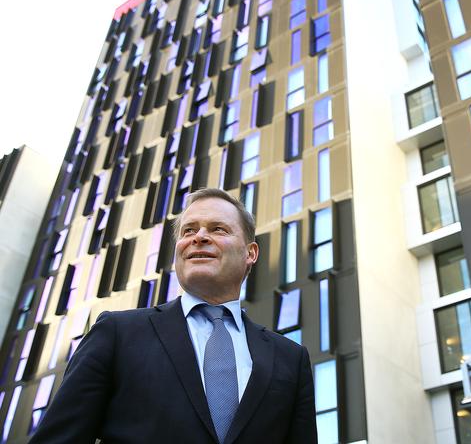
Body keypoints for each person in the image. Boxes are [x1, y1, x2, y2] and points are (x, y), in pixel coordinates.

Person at [30, 188, 317, 444]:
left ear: (250, 253)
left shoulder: (291, 359)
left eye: (218, 229)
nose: (200, 237)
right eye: (189, 230)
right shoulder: (118, 332)